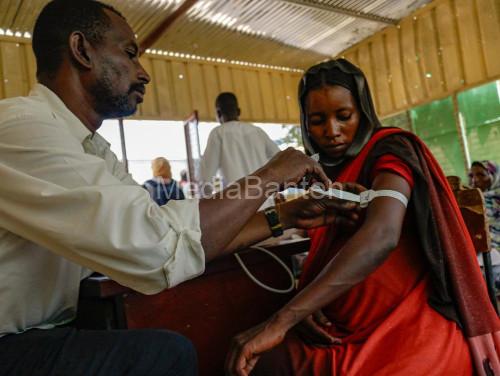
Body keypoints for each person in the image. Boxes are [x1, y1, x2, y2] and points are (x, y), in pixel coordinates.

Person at [0, 2, 360, 375]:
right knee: (165, 355)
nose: (143, 74)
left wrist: (283, 215)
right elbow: (160, 247)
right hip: (11, 342)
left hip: (41, 333)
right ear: (81, 50)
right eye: (129, 54)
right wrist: (269, 176)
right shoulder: (22, 127)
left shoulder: (90, 148)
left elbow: (172, 234)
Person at [225, 59, 500, 376]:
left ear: (364, 111)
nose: (332, 131)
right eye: (317, 120)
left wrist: (286, 318)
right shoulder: (322, 176)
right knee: (256, 364)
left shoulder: (390, 152)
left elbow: (382, 235)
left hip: (403, 328)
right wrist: (308, 303)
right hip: (336, 330)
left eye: (344, 116)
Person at [198, 92, 280, 195]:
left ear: (218, 113)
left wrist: (207, 203)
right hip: (265, 201)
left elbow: (206, 177)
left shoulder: (218, 133)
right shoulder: (257, 131)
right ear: (239, 111)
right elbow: (279, 158)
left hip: (238, 205)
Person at [469, 160, 500, 286]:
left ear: (494, 176)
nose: (475, 180)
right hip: (480, 247)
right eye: (472, 176)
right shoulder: (468, 200)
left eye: (481, 175)